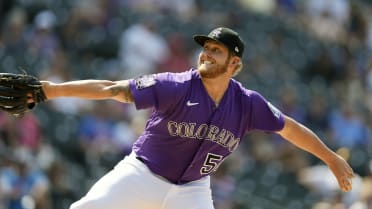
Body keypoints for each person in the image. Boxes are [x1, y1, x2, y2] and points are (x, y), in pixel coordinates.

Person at [38, 27, 354, 209]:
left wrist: (329, 157)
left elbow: (289, 129)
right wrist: (51, 90)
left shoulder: (246, 103)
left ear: (234, 63)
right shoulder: (174, 85)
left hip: (192, 190)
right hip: (142, 173)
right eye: (206, 48)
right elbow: (111, 89)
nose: (206, 53)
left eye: (217, 50)